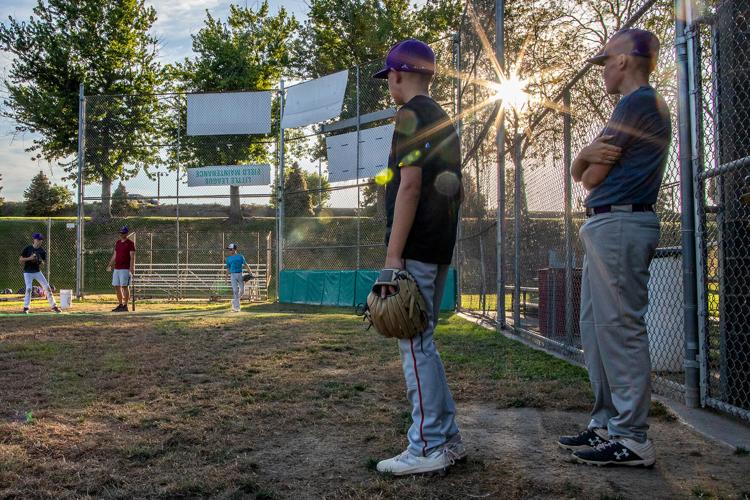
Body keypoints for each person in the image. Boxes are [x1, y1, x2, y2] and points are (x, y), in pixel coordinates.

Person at [558, 29, 671, 467]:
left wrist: (585, 159)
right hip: (608, 222)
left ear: (624, 60)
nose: (603, 69)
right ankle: (606, 424)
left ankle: (632, 436)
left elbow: (591, 176)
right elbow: (582, 171)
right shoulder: (631, 104)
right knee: (596, 327)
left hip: (623, 220)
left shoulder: (639, 101)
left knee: (620, 328)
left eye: (607, 61)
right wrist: (584, 155)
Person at [371, 39, 465, 476]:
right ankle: (446, 439)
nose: (388, 84)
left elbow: (409, 187)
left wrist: (393, 257)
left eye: (388, 76)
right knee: (424, 343)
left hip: (417, 246)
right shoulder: (440, 117)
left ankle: (426, 445)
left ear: (398, 74)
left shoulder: (409, 115)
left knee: (415, 345)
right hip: (437, 243)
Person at [19, 233, 61, 314]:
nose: (39, 241)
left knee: (47, 287)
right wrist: (30, 258)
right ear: (34, 240)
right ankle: (26, 308)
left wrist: (39, 261)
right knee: (28, 288)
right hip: (27, 272)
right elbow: (20, 260)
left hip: (37, 271)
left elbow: (43, 262)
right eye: (37, 240)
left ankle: (54, 306)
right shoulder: (28, 248)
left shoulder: (42, 250)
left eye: (40, 240)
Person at [106, 226, 135, 312]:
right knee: (116, 286)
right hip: (117, 268)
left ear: (126, 233)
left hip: (125, 269)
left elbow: (132, 256)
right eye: (120, 233)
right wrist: (110, 265)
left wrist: (131, 267)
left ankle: (125, 306)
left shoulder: (130, 243)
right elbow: (115, 255)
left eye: (123, 233)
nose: (121, 234)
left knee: (125, 286)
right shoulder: (118, 243)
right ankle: (120, 304)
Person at [224, 243, 253, 312]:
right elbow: (228, 269)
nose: (229, 251)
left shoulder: (240, 257)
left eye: (231, 249)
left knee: (242, 291)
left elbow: (245, 265)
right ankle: (236, 307)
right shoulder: (228, 258)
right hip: (233, 275)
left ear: (234, 250)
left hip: (240, 274)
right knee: (235, 291)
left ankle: (234, 301)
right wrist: (226, 278)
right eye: (229, 250)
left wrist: (250, 273)